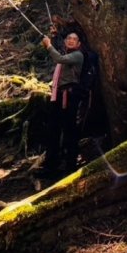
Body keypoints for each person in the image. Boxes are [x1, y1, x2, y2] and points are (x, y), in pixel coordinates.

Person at [40, 30, 85, 176]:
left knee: (70, 130)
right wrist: (54, 35)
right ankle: (50, 166)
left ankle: (70, 166)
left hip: (70, 97)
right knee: (53, 130)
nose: (71, 40)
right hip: (58, 96)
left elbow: (59, 58)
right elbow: (59, 50)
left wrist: (48, 46)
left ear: (79, 44)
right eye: (69, 38)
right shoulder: (66, 53)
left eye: (74, 39)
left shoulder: (78, 55)